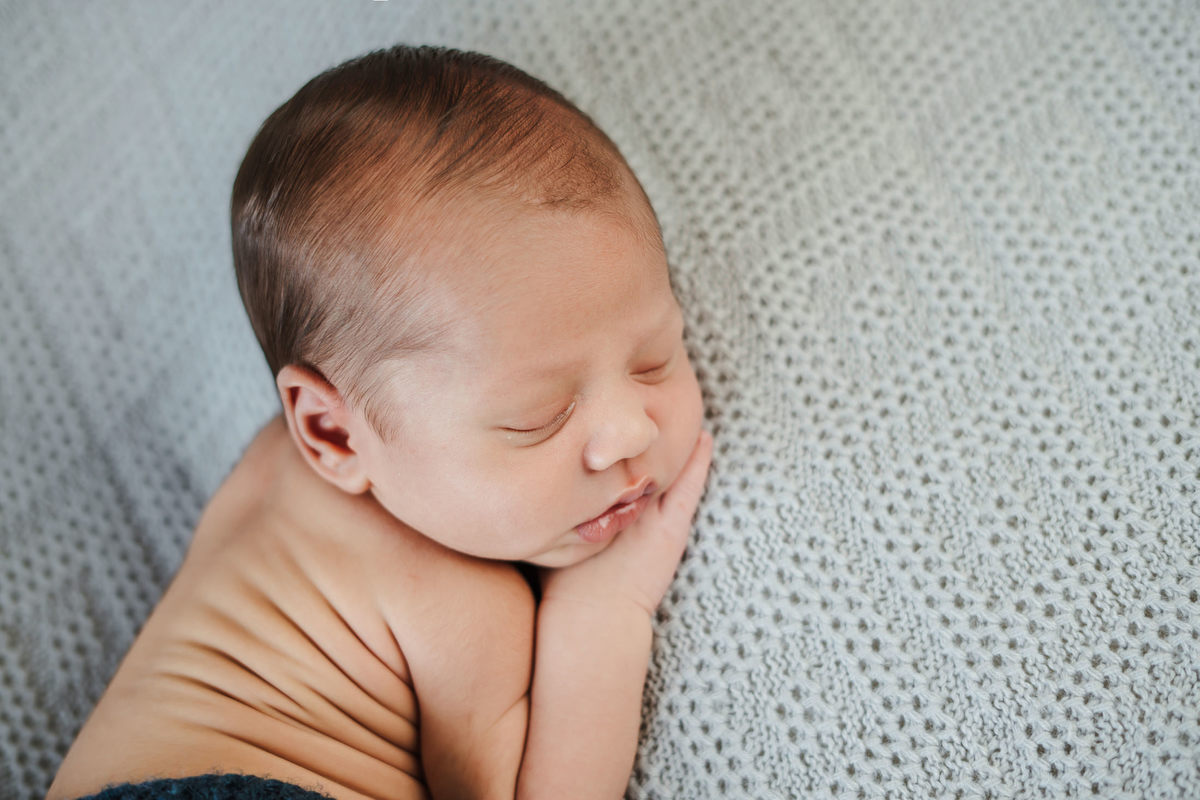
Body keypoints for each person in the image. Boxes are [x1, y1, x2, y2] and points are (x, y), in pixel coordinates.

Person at [47, 44, 712, 800]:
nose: (632, 433)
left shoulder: (268, 470)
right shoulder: (467, 610)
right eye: (539, 418)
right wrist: (604, 608)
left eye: (656, 357)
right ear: (332, 433)